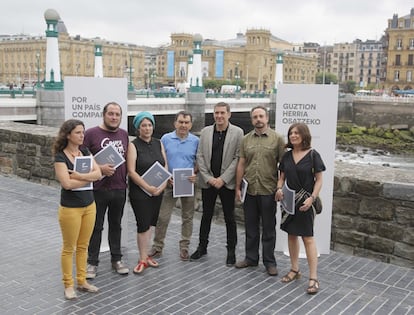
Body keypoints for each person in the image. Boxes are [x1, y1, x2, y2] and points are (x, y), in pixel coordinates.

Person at [52, 119, 102, 300]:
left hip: (89, 205)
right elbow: (66, 184)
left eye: (83, 132)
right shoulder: (60, 157)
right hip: (70, 209)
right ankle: (68, 284)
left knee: (83, 246)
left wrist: (81, 176)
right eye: (78, 133)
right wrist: (90, 178)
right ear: (68, 135)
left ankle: (82, 281)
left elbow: (98, 173)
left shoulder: (86, 152)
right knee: (69, 248)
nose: (82, 135)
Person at [190, 102, 244, 266]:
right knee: (205, 216)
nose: (219, 116)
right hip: (208, 182)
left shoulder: (238, 132)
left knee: (230, 218)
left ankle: (231, 251)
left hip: (226, 184)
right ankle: (202, 247)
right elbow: (200, 156)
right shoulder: (206, 132)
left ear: (229, 114)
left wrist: (223, 179)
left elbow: (238, 157)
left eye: (222, 113)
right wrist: (208, 178)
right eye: (216, 113)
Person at [235, 105, 285, 276]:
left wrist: (279, 187)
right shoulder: (246, 140)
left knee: (269, 228)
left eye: (261, 116)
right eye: (255, 117)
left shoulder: (277, 139)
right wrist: (237, 187)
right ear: (252, 120)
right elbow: (241, 164)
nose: (258, 119)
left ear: (267, 118)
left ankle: (269, 262)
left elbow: (283, 166)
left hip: (268, 190)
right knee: (250, 226)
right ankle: (251, 258)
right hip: (250, 190)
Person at [275, 122, 325, 295]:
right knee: (291, 235)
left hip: (305, 203)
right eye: (291, 133)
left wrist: (312, 198)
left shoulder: (313, 155)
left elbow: (319, 180)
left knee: (308, 238)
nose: (293, 136)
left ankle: (313, 278)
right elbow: (281, 178)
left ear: (304, 135)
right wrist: (279, 189)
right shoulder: (286, 156)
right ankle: (295, 269)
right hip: (289, 202)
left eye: (296, 133)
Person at [84, 102, 129, 279]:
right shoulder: (91, 134)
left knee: (116, 225)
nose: (114, 117)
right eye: (111, 114)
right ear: (104, 115)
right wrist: (100, 169)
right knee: (95, 227)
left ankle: (116, 259)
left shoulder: (124, 135)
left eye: (117, 114)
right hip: (98, 189)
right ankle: (92, 262)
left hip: (119, 188)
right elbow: (81, 160)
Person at [149, 111, 199, 261]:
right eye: (181, 122)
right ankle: (157, 247)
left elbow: (199, 161)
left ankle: (184, 247)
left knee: (188, 217)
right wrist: (166, 176)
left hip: (187, 183)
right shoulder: (165, 139)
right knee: (163, 217)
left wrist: (195, 173)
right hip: (169, 182)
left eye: (186, 122)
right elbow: (160, 159)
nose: (183, 125)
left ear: (190, 124)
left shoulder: (196, 141)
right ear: (175, 123)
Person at [127, 111, 168, 274]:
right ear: (138, 128)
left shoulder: (159, 143)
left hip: (157, 191)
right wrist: (147, 187)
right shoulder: (133, 145)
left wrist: (163, 185)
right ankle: (142, 258)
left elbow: (165, 165)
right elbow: (131, 171)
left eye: (150, 125)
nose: (147, 128)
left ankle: (146, 255)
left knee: (151, 223)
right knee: (142, 225)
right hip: (140, 193)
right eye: (143, 125)